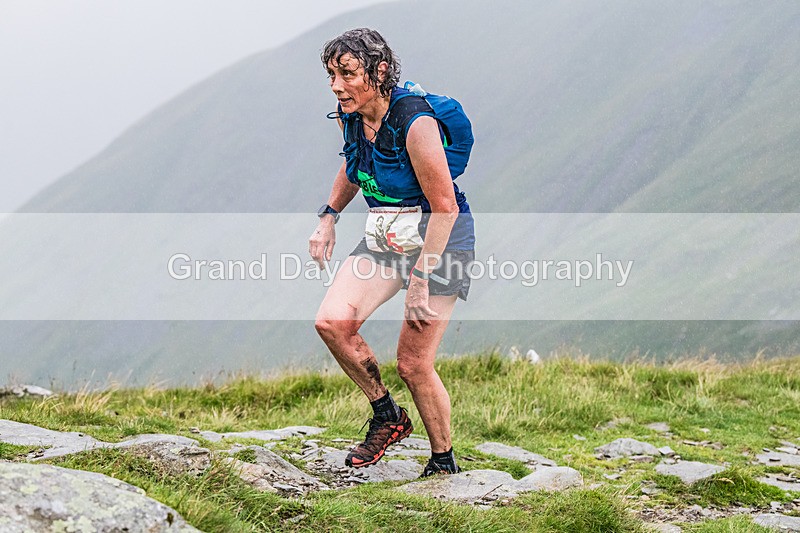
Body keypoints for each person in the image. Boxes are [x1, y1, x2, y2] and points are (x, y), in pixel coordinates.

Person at [309, 28, 475, 477]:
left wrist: (420, 281)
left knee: (413, 364)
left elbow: (445, 207)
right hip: (388, 232)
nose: (337, 85)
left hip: (442, 237)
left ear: (380, 71)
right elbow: (354, 162)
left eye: (347, 73)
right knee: (332, 323)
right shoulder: (354, 113)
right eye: (331, 74)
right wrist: (329, 216)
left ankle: (443, 463)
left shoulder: (415, 122)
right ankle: (388, 416)